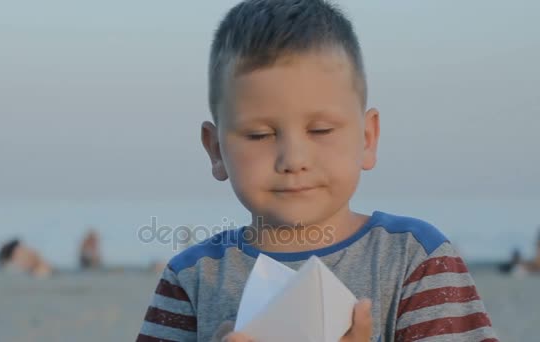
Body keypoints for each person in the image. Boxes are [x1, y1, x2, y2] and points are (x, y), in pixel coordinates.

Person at [137, 0, 498, 341]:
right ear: (216, 149)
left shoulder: (416, 261)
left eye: (320, 130)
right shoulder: (191, 278)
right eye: (260, 134)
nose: (294, 159)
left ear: (367, 138)